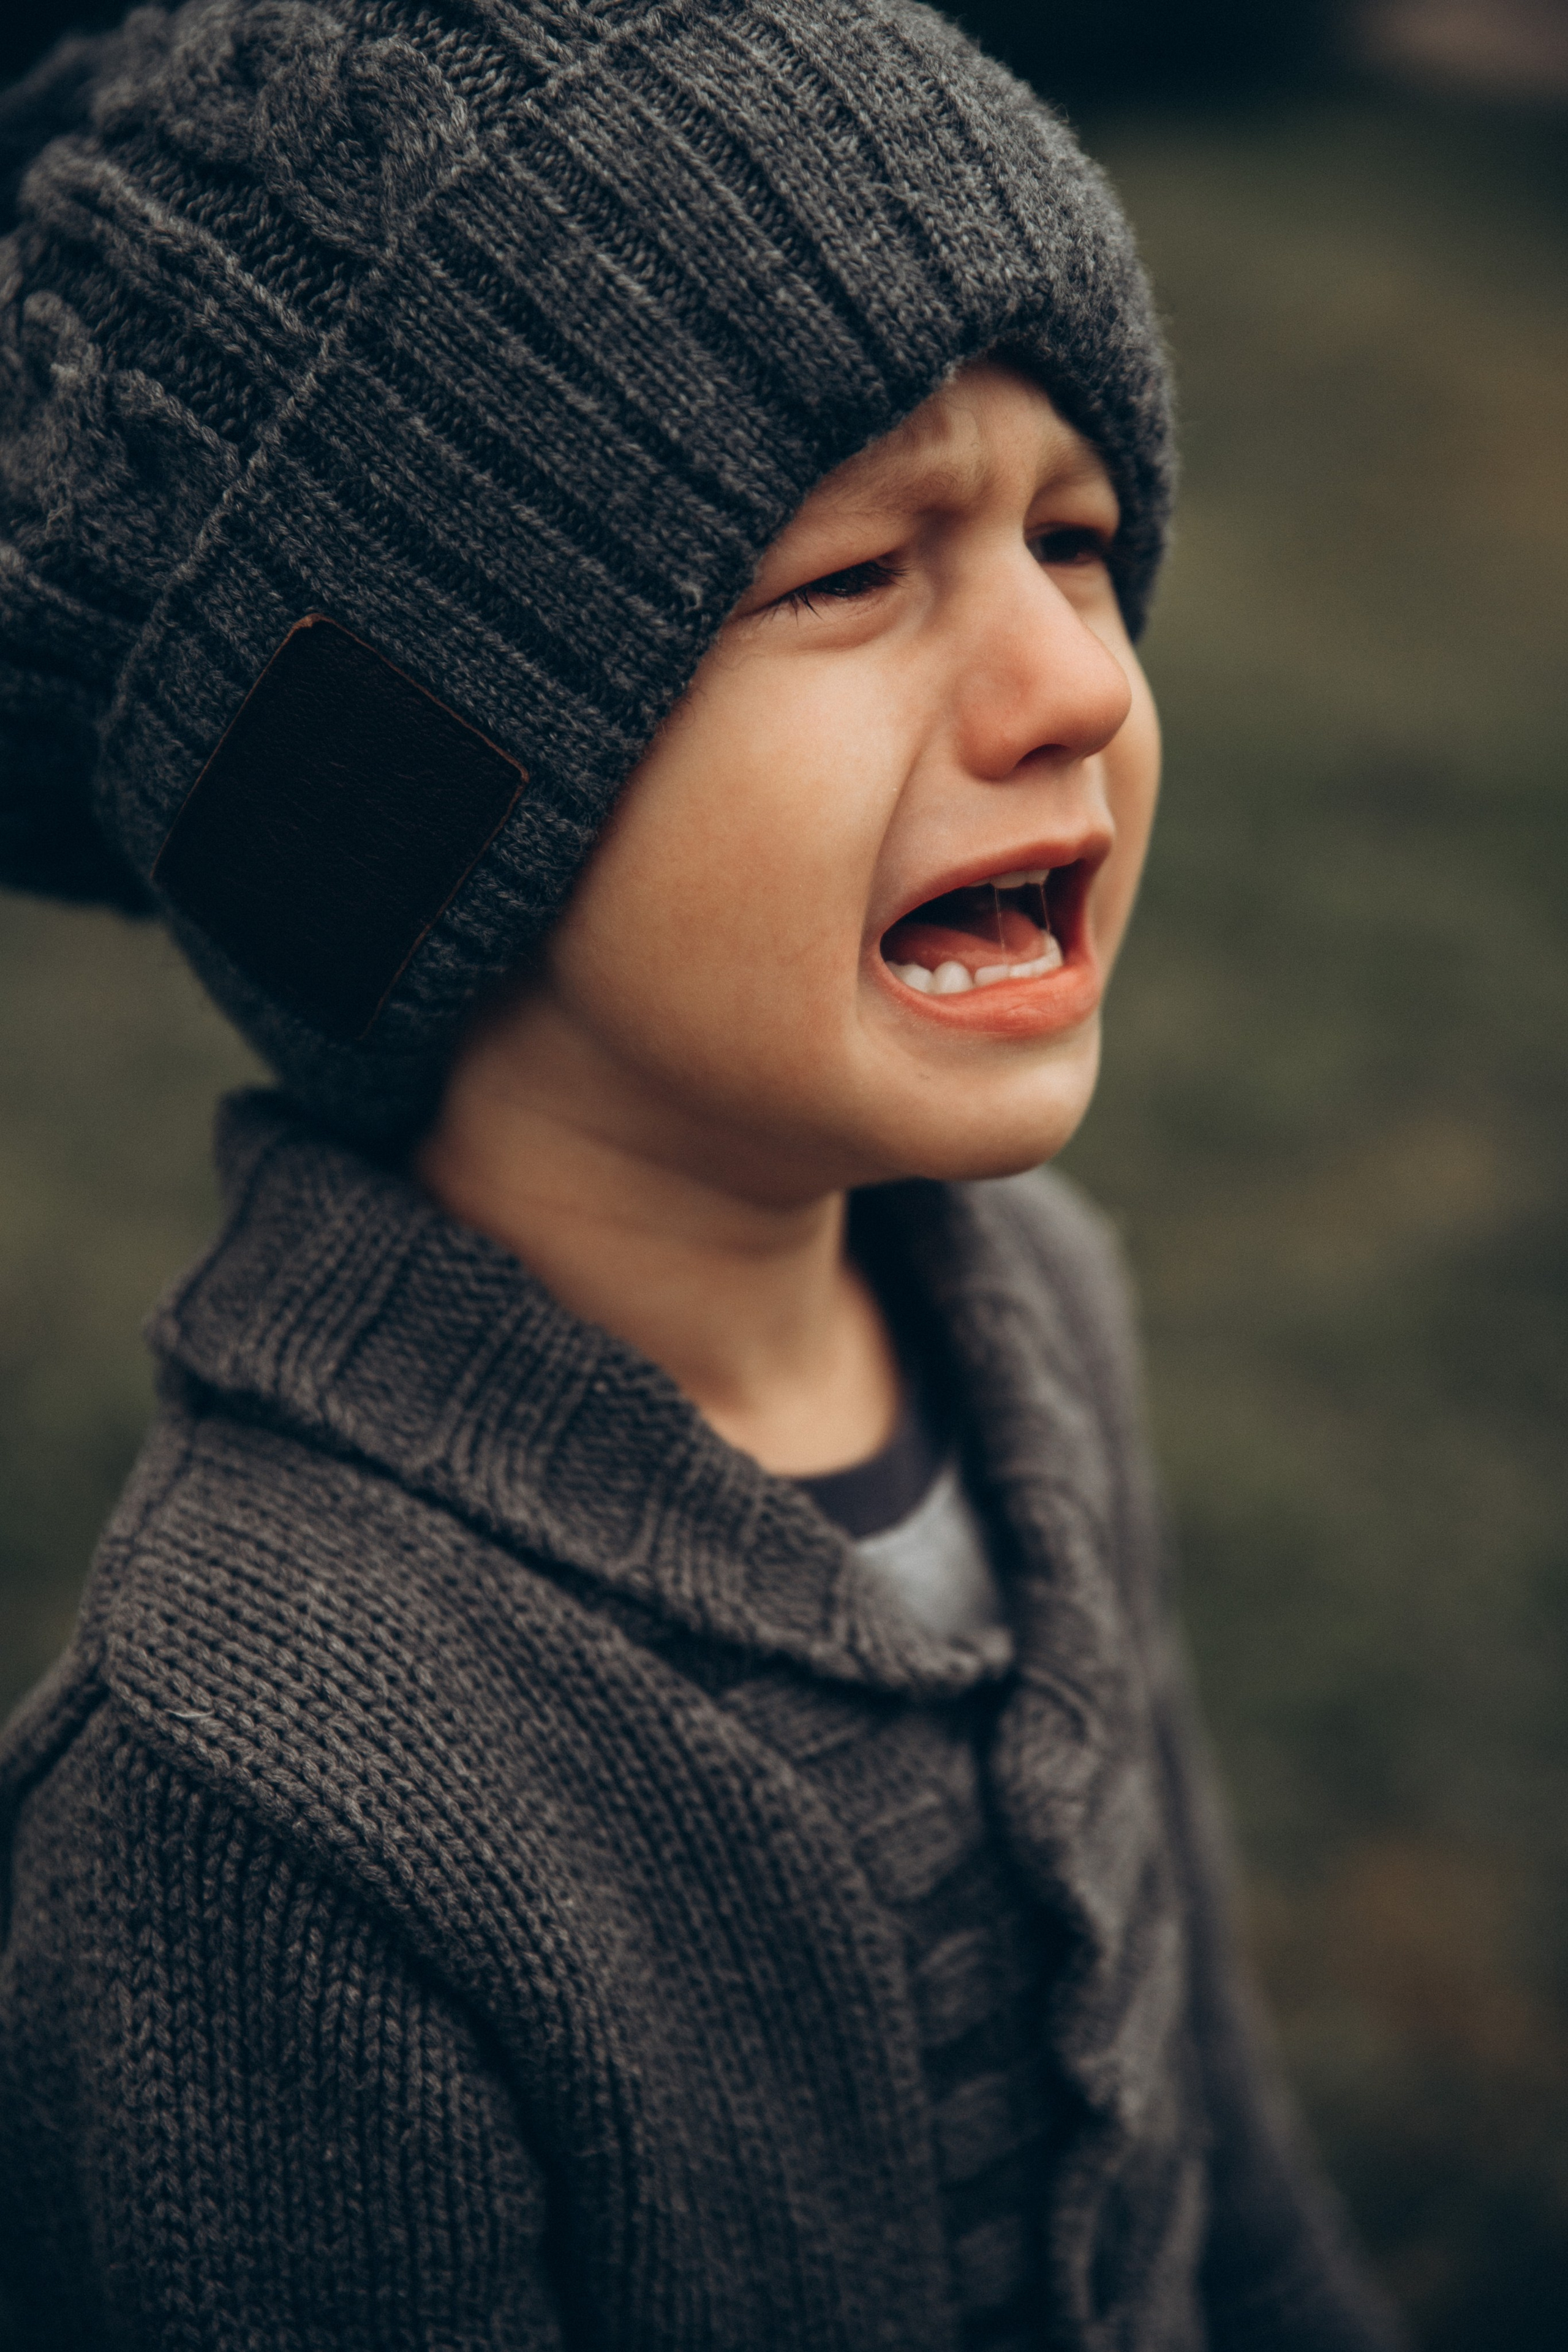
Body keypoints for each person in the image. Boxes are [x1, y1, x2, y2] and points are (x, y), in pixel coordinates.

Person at [0, 2, 1401, 2346]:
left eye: (1073, 539)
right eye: (852, 574)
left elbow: (1221, 2179)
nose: (1074, 680)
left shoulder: (1033, 1316)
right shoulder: (257, 1807)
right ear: (414, 814)